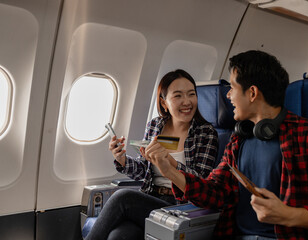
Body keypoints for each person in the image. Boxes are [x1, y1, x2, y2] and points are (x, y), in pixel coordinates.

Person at [144, 50, 308, 240]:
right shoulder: (239, 139)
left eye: (233, 88)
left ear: (252, 93)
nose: (228, 95)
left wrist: (289, 215)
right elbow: (215, 193)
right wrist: (170, 171)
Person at [85, 69, 218, 240]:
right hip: (150, 198)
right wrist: (122, 159)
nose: (187, 101)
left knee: (122, 197)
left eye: (191, 94)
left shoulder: (206, 133)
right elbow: (144, 171)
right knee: (118, 237)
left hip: (181, 207)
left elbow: (202, 182)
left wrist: (171, 163)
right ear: (164, 103)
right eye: (178, 96)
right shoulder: (155, 126)